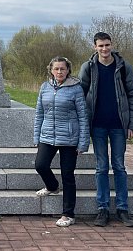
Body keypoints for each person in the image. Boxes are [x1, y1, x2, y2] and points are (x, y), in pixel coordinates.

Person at [78, 31, 133, 227]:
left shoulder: (123, 66)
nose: (104, 49)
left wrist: (132, 124)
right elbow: (80, 94)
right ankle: (102, 208)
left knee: (120, 166)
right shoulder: (88, 67)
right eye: (100, 46)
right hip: (97, 125)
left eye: (107, 45)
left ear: (112, 45)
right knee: (101, 167)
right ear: (95, 47)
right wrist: (83, 124)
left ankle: (123, 209)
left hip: (118, 125)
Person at [33, 56, 90, 227]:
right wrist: (37, 137)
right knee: (40, 165)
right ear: (51, 70)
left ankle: (68, 214)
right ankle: (52, 186)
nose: (59, 72)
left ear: (68, 70)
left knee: (68, 176)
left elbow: (83, 116)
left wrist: (83, 142)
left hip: (69, 138)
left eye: (62, 69)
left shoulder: (76, 88)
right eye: (56, 69)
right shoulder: (45, 87)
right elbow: (39, 114)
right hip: (47, 136)